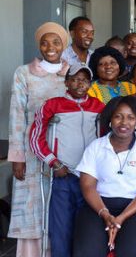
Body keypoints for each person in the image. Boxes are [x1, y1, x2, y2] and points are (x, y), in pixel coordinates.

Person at [73, 96, 136, 256]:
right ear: (110, 120)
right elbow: (87, 186)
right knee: (87, 251)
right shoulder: (96, 147)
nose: (124, 123)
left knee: (130, 251)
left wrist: (121, 217)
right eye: (118, 116)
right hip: (99, 206)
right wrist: (104, 213)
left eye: (130, 117)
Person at [29, 64, 104, 257]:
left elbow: (106, 138)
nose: (80, 84)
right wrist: (54, 162)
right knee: (61, 226)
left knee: (86, 226)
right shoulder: (53, 104)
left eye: (85, 80)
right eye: (75, 79)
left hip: (90, 177)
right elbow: (35, 137)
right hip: (64, 174)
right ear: (67, 82)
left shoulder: (98, 106)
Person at [8, 22, 70, 256]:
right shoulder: (23, 73)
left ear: (64, 45)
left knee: (60, 207)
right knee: (33, 208)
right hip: (32, 152)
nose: (50, 47)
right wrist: (17, 156)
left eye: (56, 42)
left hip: (64, 151)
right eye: (45, 42)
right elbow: (16, 114)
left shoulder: (74, 72)